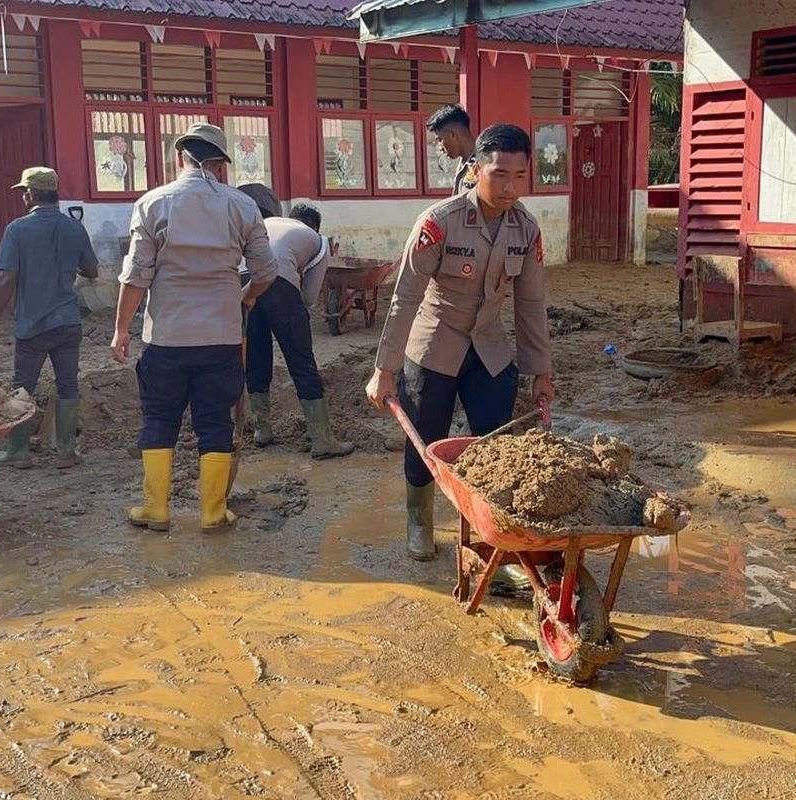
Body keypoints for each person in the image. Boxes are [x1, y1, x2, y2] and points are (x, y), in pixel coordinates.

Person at [365, 124, 555, 561]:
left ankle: (487, 534)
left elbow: (531, 303)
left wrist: (541, 372)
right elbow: (405, 296)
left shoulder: (526, 230)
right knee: (427, 442)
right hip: (433, 347)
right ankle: (420, 522)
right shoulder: (439, 222)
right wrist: (385, 370)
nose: (509, 187)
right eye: (499, 174)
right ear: (476, 169)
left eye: (519, 176)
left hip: (488, 351)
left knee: (493, 448)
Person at [111, 123, 277, 531]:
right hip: (220, 337)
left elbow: (136, 275)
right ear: (221, 164)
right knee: (215, 421)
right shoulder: (241, 206)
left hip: (166, 337)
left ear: (179, 157)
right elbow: (266, 271)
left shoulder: (153, 203)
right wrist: (247, 295)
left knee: (158, 419)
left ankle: (155, 510)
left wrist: (121, 329)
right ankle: (212, 512)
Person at [0, 166, 99, 469]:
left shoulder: (17, 230)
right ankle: (67, 451)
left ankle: (18, 451)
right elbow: (92, 270)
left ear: (31, 195)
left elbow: (7, 279)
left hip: (32, 325)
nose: (23, 196)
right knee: (67, 384)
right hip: (67, 322)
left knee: (23, 385)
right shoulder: (74, 228)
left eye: (24, 191)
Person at [233, 185, 353, 459]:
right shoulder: (318, 240)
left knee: (255, 358)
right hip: (277, 280)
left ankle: (262, 430)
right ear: (315, 226)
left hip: (240, 281)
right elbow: (309, 297)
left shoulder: (264, 223)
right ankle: (322, 439)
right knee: (301, 362)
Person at [427, 104, 478, 195]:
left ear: (452, 134)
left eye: (440, 140)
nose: (440, 147)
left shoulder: (484, 163)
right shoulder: (463, 164)